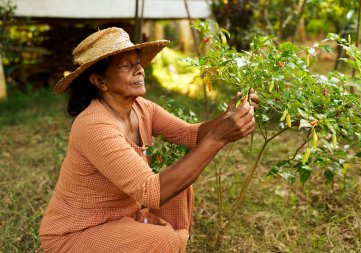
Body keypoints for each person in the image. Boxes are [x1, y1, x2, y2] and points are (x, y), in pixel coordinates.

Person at [39, 27, 258, 253]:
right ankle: (171, 242)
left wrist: (228, 115)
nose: (139, 70)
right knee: (165, 240)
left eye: (138, 63)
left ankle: (166, 240)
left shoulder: (141, 108)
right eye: (127, 65)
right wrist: (218, 137)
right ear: (100, 81)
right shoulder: (93, 126)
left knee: (179, 189)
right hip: (77, 233)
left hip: (122, 215)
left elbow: (190, 135)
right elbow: (151, 192)